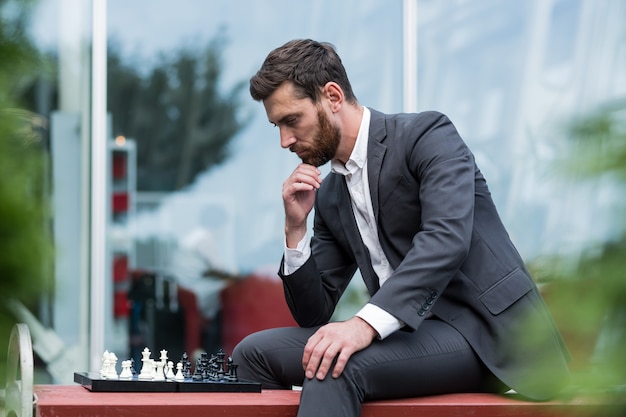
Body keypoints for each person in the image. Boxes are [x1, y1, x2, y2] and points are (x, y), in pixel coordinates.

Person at [233, 39, 570, 417]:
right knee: (253, 354)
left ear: (331, 96)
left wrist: (362, 326)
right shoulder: (329, 195)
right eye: (277, 126)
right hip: (405, 340)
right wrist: (295, 230)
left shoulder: (427, 135)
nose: (284, 141)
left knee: (334, 368)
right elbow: (313, 312)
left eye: (291, 120)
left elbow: (446, 240)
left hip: (484, 334)